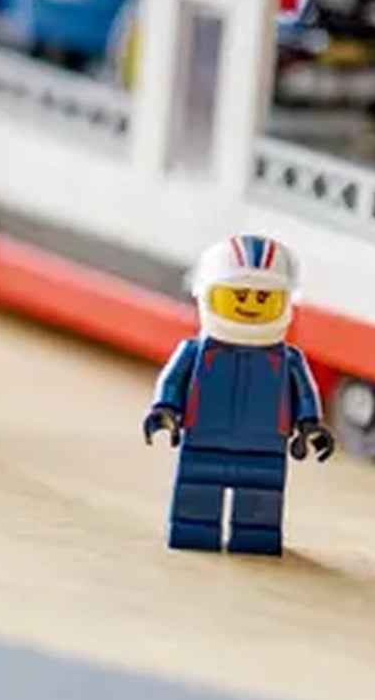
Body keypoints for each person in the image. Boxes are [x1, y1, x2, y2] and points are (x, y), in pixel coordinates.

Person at [144, 234, 335, 556]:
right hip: (203, 440)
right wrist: (164, 409)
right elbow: (172, 382)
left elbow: (304, 395)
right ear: (206, 295)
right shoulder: (195, 351)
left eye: (264, 299)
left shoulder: (288, 359)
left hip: (264, 447)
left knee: (259, 507)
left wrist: (309, 425)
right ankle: (193, 530)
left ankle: (254, 536)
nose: (249, 306)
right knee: (195, 503)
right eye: (238, 296)